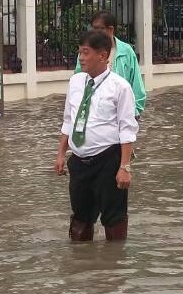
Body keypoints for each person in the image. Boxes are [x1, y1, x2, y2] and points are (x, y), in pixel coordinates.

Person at [55, 29, 138, 242]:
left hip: (108, 160)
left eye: (86, 52)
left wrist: (124, 167)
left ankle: (115, 262)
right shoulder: (75, 82)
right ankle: (83, 264)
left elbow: (127, 129)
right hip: (80, 161)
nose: (81, 58)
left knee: (114, 217)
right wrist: (61, 154)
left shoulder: (120, 87)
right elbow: (68, 120)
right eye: (79, 52)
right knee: (80, 216)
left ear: (102, 56)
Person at [74, 10, 146, 117]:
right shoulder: (87, 52)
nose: (95, 33)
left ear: (111, 29)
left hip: (121, 112)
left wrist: (134, 112)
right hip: (94, 114)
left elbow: (137, 86)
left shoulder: (126, 51)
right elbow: (78, 84)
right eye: (93, 28)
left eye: (99, 29)